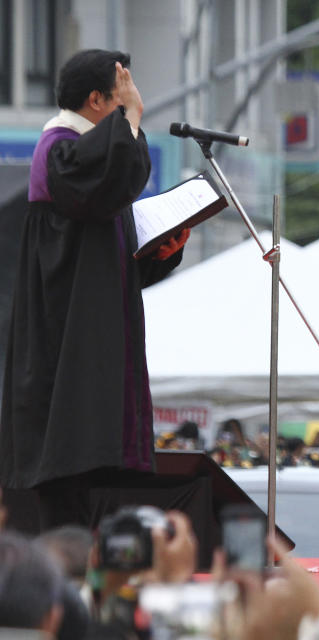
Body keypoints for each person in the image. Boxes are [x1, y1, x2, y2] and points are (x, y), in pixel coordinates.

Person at [0, 50, 189, 519]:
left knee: (99, 490)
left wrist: (160, 253)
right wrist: (134, 117)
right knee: (71, 484)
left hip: (93, 338)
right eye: (120, 92)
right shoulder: (62, 151)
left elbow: (106, 269)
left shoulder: (90, 163)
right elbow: (110, 185)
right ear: (96, 100)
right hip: (67, 347)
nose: (129, 100)